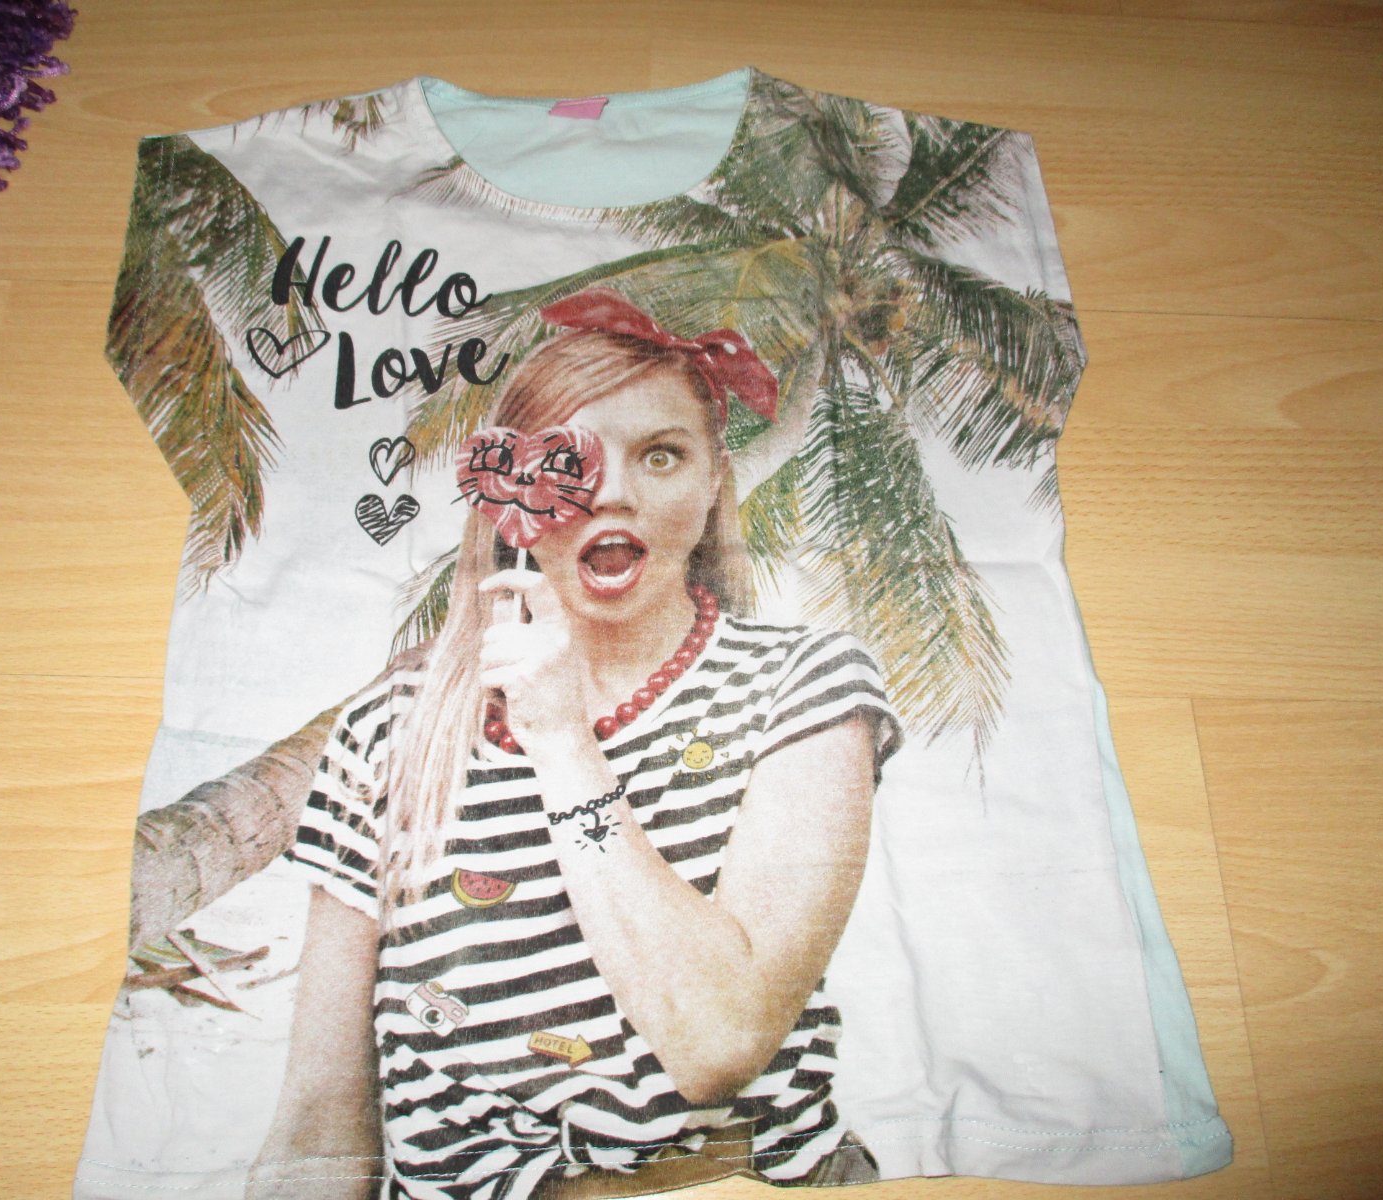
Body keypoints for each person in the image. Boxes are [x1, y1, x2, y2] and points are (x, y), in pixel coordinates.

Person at [247, 288, 903, 1200]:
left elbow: (717, 1044)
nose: (615, 491)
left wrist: (560, 739)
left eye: (662, 455)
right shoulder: (388, 729)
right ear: (507, 490)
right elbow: (320, 1121)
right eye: (569, 458)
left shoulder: (803, 686)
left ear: (713, 480)